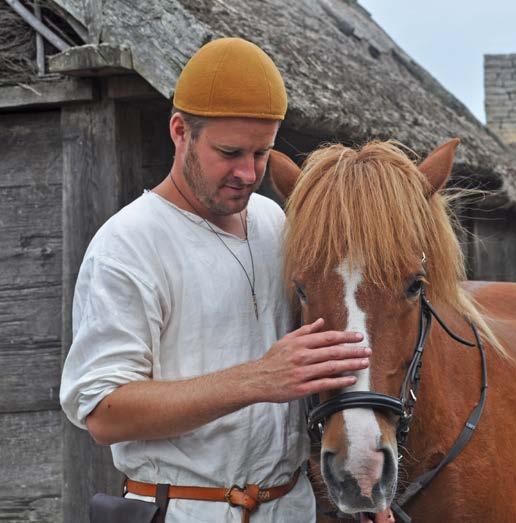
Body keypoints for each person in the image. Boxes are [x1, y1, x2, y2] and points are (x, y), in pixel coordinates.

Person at [59, 37, 372, 522]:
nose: (248, 173)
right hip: (183, 511)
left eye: (261, 153)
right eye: (229, 152)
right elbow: (103, 414)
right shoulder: (128, 244)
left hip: (291, 510)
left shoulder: (276, 224)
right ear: (180, 130)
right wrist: (256, 379)